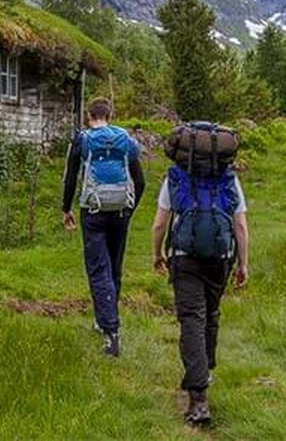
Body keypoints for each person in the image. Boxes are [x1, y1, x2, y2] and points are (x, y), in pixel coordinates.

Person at [150, 140, 249, 426]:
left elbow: (159, 224)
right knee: (211, 314)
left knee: (191, 318)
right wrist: (243, 264)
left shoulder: (176, 176)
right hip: (220, 258)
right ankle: (205, 370)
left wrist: (157, 254)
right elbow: (240, 225)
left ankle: (198, 398)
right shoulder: (229, 178)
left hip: (185, 258)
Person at [61, 97, 145, 357]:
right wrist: (130, 210)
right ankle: (107, 318)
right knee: (114, 266)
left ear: (90, 115)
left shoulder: (83, 140)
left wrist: (66, 209)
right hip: (120, 210)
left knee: (98, 269)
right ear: (110, 115)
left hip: (93, 210)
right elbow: (140, 181)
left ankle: (110, 331)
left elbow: (70, 178)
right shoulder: (125, 140)